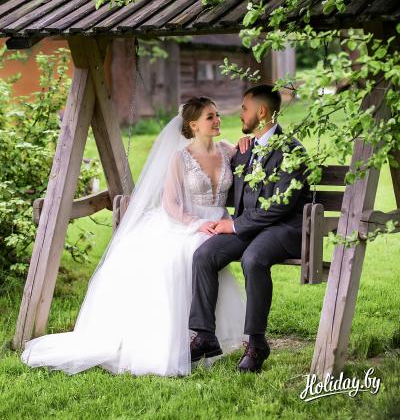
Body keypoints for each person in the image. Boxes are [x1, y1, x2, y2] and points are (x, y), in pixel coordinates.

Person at [20, 97, 248, 376]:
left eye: (217, 115)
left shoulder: (227, 150)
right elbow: (171, 205)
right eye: (210, 117)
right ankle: (180, 340)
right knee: (178, 258)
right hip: (187, 223)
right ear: (193, 125)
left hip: (220, 222)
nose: (217, 120)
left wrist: (246, 144)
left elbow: (249, 155)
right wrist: (197, 224)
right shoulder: (180, 159)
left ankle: (204, 335)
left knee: (201, 253)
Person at [189, 85, 311, 373]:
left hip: (286, 229)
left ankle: (256, 343)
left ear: (262, 112)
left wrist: (234, 225)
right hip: (252, 229)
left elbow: (281, 206)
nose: (240, 114)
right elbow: (218, 165)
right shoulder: (246, 149)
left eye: (244, 108)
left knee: (253, 259)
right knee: (204, 255)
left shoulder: (291, 151)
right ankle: (204, 335)